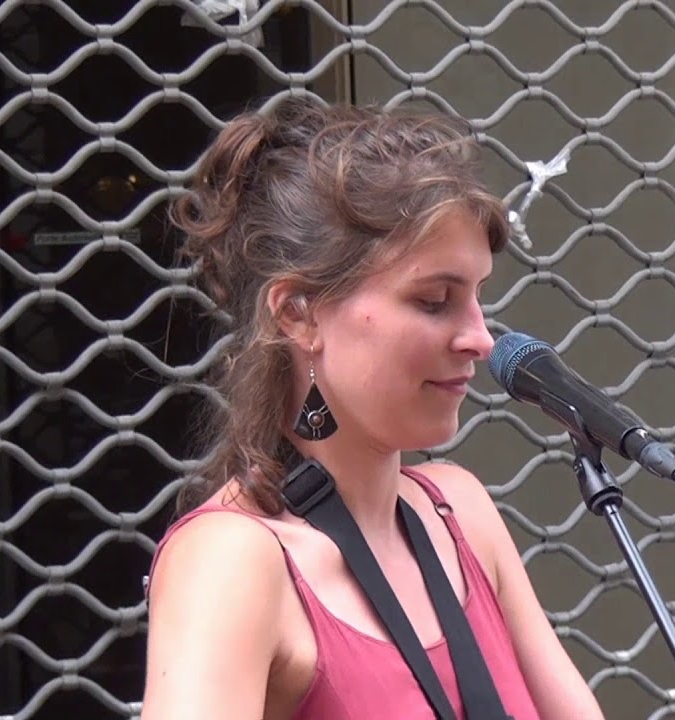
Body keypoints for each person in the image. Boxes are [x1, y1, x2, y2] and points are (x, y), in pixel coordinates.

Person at [139, 96, 605, 720]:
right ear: (298, 314)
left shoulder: (458, 509)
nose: (481, 338)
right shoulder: (232, 559)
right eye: (435, 300)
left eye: (477, 297)